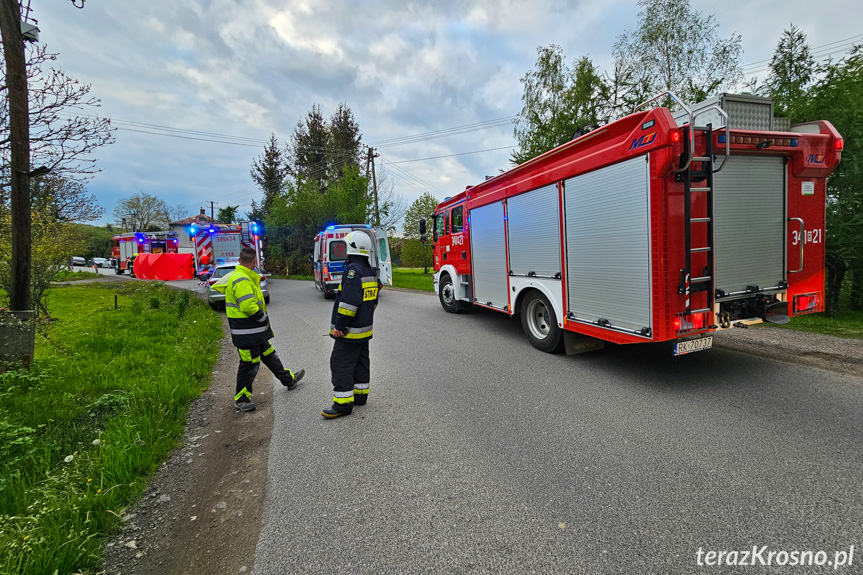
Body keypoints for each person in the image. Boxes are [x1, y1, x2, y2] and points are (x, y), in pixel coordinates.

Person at [212, 246, 304, 412]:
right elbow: (248, 306)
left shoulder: (242, 276)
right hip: (247, 333)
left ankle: (289, 380)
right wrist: (263, 318)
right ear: (254, 262)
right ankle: (241, 399)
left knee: (269, 355)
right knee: (249, 364)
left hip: (254, 332)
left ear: (240, 261)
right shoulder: (241, 279)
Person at [323, 231, 378, 419]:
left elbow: (348, 303)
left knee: (340, 364)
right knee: (361, 362)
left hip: (350, 331)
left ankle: (343, 404)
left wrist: (340, 325)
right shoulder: (369, 271)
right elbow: (373, 302)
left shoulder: (352, 270)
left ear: (351, 247)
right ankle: (360, 396)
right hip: (364, 330)